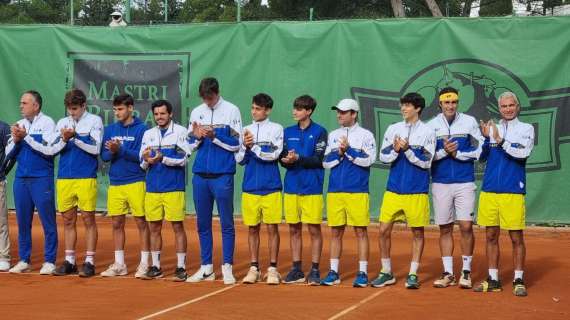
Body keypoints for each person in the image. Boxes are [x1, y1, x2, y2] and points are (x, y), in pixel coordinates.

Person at [373, 92, 436, 289]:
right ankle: (386, 271)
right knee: (383, 231)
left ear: (417, 108)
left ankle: (413, 274)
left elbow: (426, 161)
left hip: (416, 190)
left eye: (408, 105)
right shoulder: (393, 129)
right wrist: (395, 150)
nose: (403, 108)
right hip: (393, 190)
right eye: (402, 105)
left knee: (417, 233)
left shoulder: (428, 131)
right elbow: (383, 156)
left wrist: (408, 149)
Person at [474, 92, 534, 297]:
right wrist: (485, 139)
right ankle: (494, 279)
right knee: (491, 235)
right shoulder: (493, 128)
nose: (507, 109)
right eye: (504, 106)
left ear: (517, 107)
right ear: (499, 108)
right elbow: (482, 158)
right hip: (489, 190)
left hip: (513, 191)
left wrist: (499, 140)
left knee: (516, 236)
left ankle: (518, 279)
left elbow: (522, 153)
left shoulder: (526, 129)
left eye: (511, 105)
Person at [186, 78, 242, 285]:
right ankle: (206, 268)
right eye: (204, 98)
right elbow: (189, 144)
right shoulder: (196, 112)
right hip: (200, 175)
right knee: (202, 224)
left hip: (222, 175)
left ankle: (227, 267)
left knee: (226, 223)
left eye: (210, 98)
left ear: (217, 93)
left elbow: (237, 144)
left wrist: (215, 135)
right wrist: (197, 136)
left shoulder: (232, 110)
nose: (207, 102)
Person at [427, 87, 484, 289]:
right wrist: (444, 151)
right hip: (440, 182)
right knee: (445, 227)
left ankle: (466, 273)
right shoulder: (431, 126)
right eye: (447, 102)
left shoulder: (469, 121)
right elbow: (426, 156)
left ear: (457, 103)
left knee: (466, 226)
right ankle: (448, 273)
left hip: (465, 181)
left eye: (454, 102)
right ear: (440, 104)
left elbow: (481, 149)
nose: (451, 106)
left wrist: (458, 154)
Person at [321, 99, 376, 288]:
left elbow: (368, 160)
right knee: (335, 232)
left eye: (343, 112)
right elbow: (326, 162)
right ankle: (333, 272)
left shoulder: (366, 135)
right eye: (338, 112)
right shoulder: (333, 135)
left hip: (358, 191)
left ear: (354, 114)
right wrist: (340, 153)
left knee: (361, 232)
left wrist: (349, 151)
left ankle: (362, 272)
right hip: (335, 190)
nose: (339, 115)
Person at [49, 89, 103, 278]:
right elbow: (53, 149)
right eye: (69, 109)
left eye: (75, 109)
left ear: (83, 106)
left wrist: (76, 138)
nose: (72, 113)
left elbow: (95, 148)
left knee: (88, 219)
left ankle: (89, 262)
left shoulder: (95, 121)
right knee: (68, 220)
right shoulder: (62, 122)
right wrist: (64, 140)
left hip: (86, 177)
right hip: (64, 178)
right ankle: (70, 261)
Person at [5, 91, 58, 274]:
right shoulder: (19, 124)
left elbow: (48, 150)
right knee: (22, 222)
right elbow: (8, 153)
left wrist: (25, 137)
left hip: (41, 178)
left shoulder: (48, 123)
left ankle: (50, 261)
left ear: (36, 106)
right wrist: (17, 140)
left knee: (48, 222)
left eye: (25, 103)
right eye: (20, 103)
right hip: (21, 180)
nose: (21, 106)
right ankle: (24, 260)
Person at [139, 100, 192, 281]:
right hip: (153, 188)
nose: (159, 117)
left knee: (177, 226)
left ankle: (181, 267)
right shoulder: (148, 134)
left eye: (162, 113)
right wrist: (147, 160)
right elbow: (143, 163)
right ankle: (155, 266)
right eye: (156, 114)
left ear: (170, 114)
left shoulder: (181, 132)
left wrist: (163, 159)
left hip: (174, 188)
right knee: (154, 227)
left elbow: (184, 159)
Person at [100, 94, 151, 278]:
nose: (117, 113)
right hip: (116, 183)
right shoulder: (110, 129)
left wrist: (120, 149)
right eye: (114, 109)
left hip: (136, 180)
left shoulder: (143, 129)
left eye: (120, 109)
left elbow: (141, 156)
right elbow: (104, 157)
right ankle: (120, 264)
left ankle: (145, 263)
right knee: (116, 223)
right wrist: (113, 151)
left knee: (141, 223)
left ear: (130, 108)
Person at [279, 95, 327, 285]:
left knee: (314, 230)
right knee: (294, 230)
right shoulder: (287, 131)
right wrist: (287, 161)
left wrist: (298, 158)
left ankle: (314, 270)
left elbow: (319, 159)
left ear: (309, 111)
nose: (295, 111)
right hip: (291, 187)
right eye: (294, 108)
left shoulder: (320, 132)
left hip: (312, 188)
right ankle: (296, 269)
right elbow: (282, 158)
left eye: (299, 109)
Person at [237, 93, 284, 285]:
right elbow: (239, 160)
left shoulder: (277, 129)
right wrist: (245, 148)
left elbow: (273, 155)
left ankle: (272, 268)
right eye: (252, 108)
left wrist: (253, 146)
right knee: (252, 229)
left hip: (271, 186)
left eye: (258, 108)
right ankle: (254, 268)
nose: (254, 112)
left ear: (267, 110)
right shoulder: (245, 130)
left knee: (272, 228)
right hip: (250, 187)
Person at [0, 120, 11, 271]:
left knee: (1, 222)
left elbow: (11, 154)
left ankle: (4, 256)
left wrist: (2, 172)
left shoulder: (3, 127)